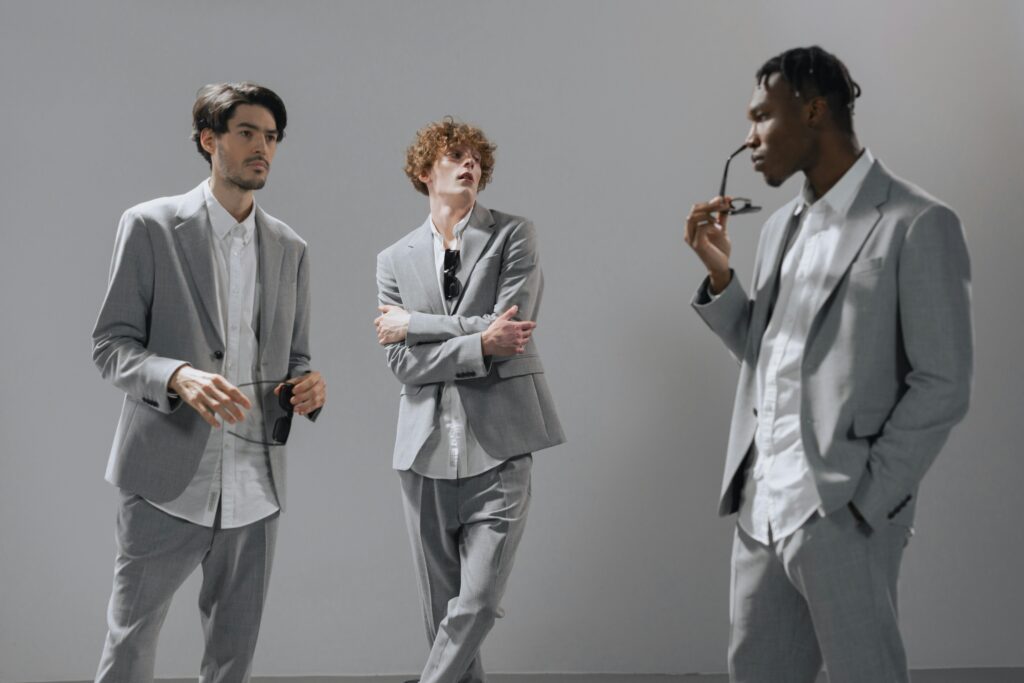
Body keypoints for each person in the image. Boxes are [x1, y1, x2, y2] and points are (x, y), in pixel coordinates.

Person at [684, 46, 972, 682]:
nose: (750, 137)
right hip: (761, 510)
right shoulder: (780, 226)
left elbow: (943, 383)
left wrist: (867, 503)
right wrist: (722, 274)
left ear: (813, 111)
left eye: (762, 117)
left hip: (840, 510)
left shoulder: (917, 222)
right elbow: (770, 356)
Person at [92, 82, 326, 683]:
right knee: (131, 643)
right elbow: (111, 345)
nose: (262, 149)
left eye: (271, 138)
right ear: (208, 140)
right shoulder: (149, 226)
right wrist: (178, 375)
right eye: (247, 133)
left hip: (256, 487)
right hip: (166, 481)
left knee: (232, 657)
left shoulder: (290, 248)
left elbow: (295, 357)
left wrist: (306, 387)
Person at [375, 117, 565, 683]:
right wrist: (475, 340)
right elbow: (401, 364)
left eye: (476, 158)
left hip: (501, 448)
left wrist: (415, 323)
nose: (469, 165)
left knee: (477, 603)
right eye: (455, 155)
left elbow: (513, 331)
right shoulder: (393, 259)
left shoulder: (514, 235)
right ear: (423, 170)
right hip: (424, 454)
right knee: (441, 618)